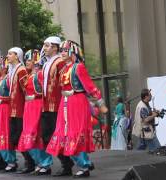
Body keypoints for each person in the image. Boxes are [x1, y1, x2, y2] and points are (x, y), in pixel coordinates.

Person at [46, 40, 108, 178]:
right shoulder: (63, 69)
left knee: (75, 134)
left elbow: (89, 86)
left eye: (64, 50)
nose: (62, 52)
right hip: (65, 103)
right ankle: (83, 162)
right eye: (60, 50)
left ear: (72, 52)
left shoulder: (78, 67)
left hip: (77, 103)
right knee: (63, 134)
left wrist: (100, 103)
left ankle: (84, 166)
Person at [39, 36, 72, 176]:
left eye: (47, 46)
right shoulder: (46, 64)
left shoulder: (60, 62)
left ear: (55, 47)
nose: (44, 48)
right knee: (46, 136)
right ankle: (64, 162)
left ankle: (66, 164)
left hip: (57, 106)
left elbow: (63, 83)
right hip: (46, 106)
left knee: (57, 136)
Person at [17, 49, 48, 174]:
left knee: (35, 134)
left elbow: (45, 92)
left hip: (37, 106)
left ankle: (45, 163)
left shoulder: (40, 74)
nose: (27, 62)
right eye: (26, 60)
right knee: (28, 135)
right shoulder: (30, 75)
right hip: (29, 107)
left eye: (29, 60)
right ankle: (39, 162)